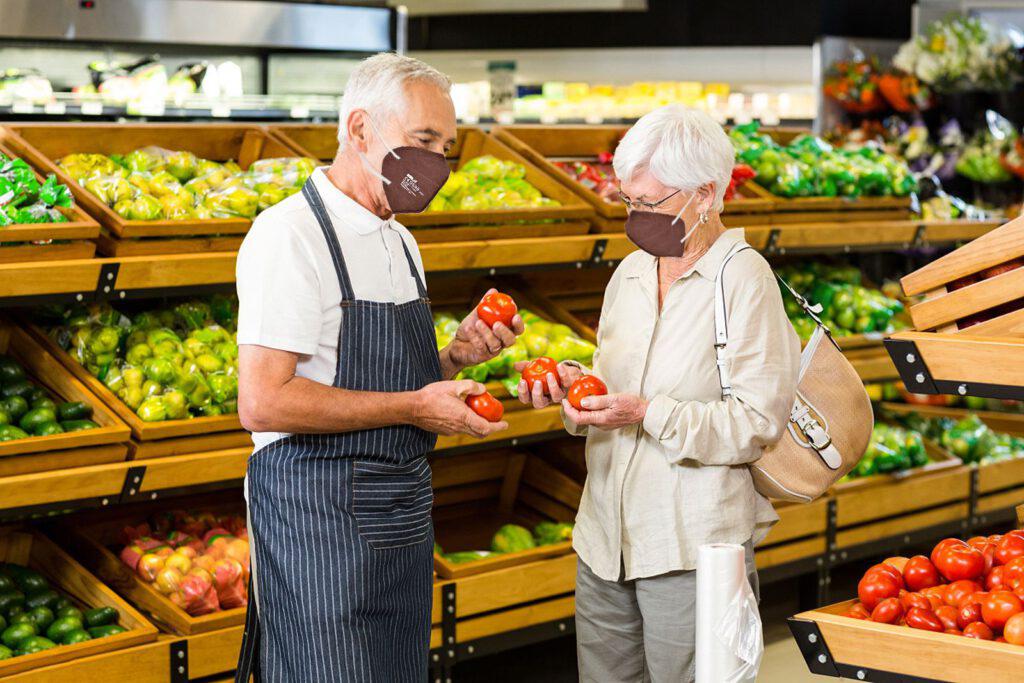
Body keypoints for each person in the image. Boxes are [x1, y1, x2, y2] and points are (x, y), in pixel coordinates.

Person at [234, 53, 523, 682]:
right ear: (360, 129)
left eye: (447, 147)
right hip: (318, 519)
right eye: (423, 141)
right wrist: (415, 407)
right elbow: (263, 401)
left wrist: (452, 359)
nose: (437, 163)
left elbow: (379, 377)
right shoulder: (290, 236)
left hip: (401, 513)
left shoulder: (400, 238)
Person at [517, 105, 801, 682]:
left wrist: (649, 413)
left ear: (705, 194)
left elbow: (756, 423)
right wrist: (575, 392)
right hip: (605, 537)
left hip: (690, 545)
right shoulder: (630, 273)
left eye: (650, 203)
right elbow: (610, 381)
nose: (635, 217)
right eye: (629, 202)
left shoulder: (744, 280)